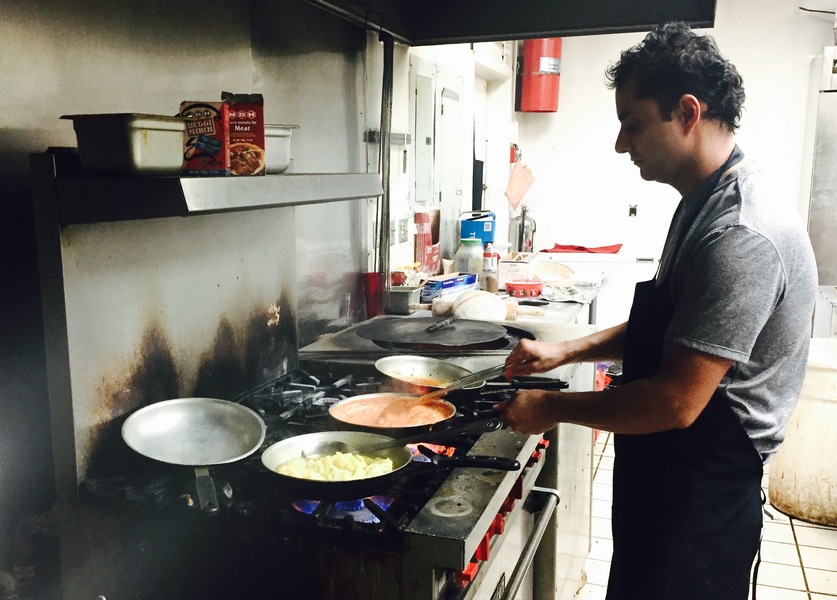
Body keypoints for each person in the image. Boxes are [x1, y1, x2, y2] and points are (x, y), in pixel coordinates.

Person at [497, 22, 818, 600]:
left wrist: (552, 407)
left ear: (688, 113)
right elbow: (679, 330)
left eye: (634, 124)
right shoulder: (703, 200)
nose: (623, 144)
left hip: (702, 499)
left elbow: (677, 400)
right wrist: (567, 349)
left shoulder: (741, 231)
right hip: (670, 479)